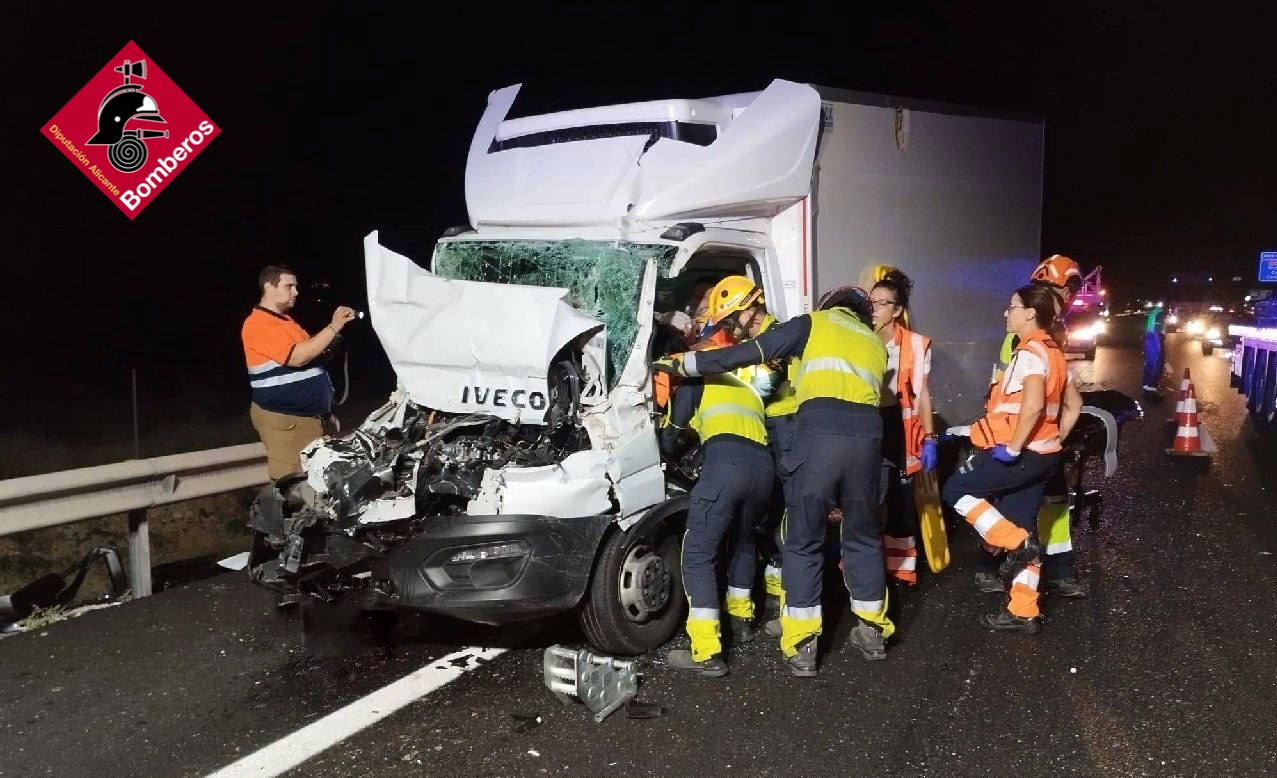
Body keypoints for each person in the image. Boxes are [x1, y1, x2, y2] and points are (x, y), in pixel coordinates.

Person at [657, 283, 891, 676]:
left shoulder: (813, 323)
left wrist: (682, 365)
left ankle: (802, 647)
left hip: (818, 435)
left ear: (830, 306)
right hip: (868, 441)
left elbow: (743, 354)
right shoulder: (874, 342)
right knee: (863, 537)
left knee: (803, 539)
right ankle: (873, 633)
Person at [942, 284, 1082, 633]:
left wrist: (1015, 447)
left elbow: (1032, 405)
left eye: (1012, 307)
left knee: (955, 490)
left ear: (1030, 314)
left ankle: (1018, 544)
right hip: (1046, 457)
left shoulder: (1030, 352)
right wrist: (1054, 439)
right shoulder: (1054, 353)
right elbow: (1074, 406)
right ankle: (1023, 610)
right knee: (1021, 524)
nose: (1007, 313)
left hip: (1021, 456)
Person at [976, 255, 1088, 599]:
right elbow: (1020, 396)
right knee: (1008, 504)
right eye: (1064, 290)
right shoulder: (1030, 335)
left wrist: (1056, 437)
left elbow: (1063, 390)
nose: (1067, 298)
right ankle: (988, 566)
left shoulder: (1053, 330)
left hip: (1040, 437)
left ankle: (1059, 569)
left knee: (1054, 500)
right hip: (1019, 435)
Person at [659, 346, 773, 677]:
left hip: (726, 466)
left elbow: (670, 438)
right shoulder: (748, 389)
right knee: (744, 544)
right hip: (763, 471)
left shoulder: (696, 383)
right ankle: (741, 621)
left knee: (698, 554)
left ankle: (706, 652)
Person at [242, 265, 356, 479]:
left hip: (311, 419)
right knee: (293, 485)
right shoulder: (257, 323)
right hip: (286, 421)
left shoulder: (287, 322)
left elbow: (311, 360)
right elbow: (297, 357)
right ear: (269, 287)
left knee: (319, 481)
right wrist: (333, 327)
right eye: (289, 286)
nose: (296, 292)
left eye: (296, 287)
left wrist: (326, 413)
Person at [869, 269, 937, 587]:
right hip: (867, 423)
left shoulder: (915, 344)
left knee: (899, 499)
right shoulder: (861, 338)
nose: (874, 308)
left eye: (882, 303)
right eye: (871, 302)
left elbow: (922, 393)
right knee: (867, 496)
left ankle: (900, 568)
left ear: (897, 310)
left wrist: (930, 437)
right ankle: (860, 561)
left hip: (898, 425)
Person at [1142, 304, 1166, 393]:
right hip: (1155, 340)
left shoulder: (1153, 312)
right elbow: (1157, 329)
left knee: (1149, 365)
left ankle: (1146, 387)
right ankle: (1151, 391)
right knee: (1157, 366)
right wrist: (1160, 343)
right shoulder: (1160, 313)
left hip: (1149, 339)